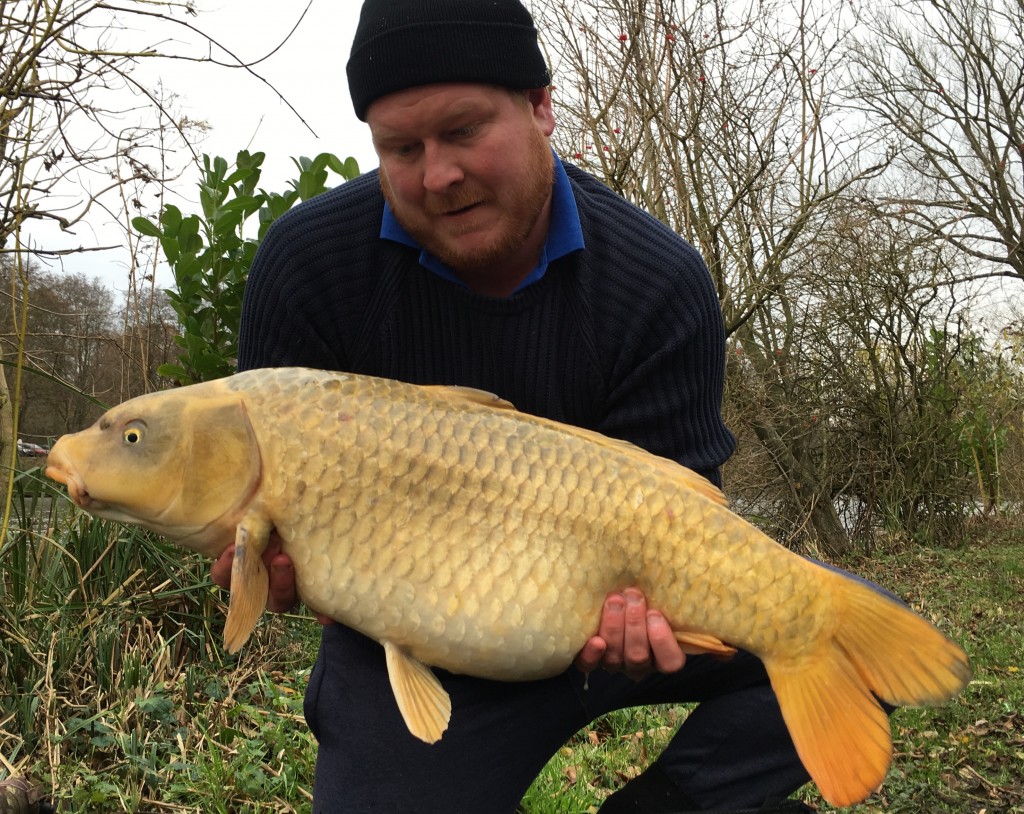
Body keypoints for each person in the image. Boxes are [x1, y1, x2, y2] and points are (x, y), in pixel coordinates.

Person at [212, 1, 815, 811]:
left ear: (541, 106)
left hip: (602, 621)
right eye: (401, 147)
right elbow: (261, 535)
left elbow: (688, 516)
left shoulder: (659, 282)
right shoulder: (309, 266)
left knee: (844, 634)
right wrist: (265, 569)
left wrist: (644, 622)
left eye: (463, 131)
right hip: (411, 642)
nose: (437, 175)